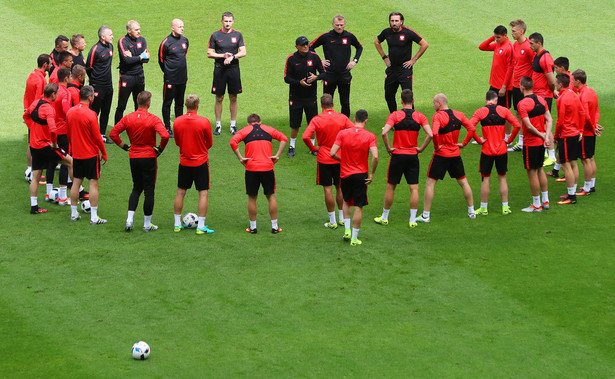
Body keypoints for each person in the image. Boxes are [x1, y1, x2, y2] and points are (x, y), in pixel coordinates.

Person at [109, 91, 169, 232]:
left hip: (134, 156)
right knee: (149, 191)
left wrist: (123, 146)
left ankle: (129, 220)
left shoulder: (128, 118)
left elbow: (113, 134)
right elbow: (165, 135)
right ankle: (147, 224)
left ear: (137, 102)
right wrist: (159, 149)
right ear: (148, 103)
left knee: (136, 188)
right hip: (148, 157)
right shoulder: (153, 119)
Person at [374, 89, 432, 228]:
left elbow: (384, 133)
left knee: (391, 187)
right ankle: (412, 220)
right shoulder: (420, 116)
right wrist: (421, 148)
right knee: (414, 188)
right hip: (412, 155)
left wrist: (389, 148)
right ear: (413, 101)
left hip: (398, 156)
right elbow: (430, 134)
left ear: (401, 101)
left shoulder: (395, 115)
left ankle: (385, 217)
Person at [417, 94, 478, 223]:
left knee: (430, 183)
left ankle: (426, 215)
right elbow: (472, 128)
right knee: (463, 182)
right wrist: (464, 143)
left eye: (434, 103)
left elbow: (434, 133)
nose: (433, 105)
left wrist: (437, 146)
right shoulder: (459, 114)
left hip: (441, 155)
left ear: (439, 103)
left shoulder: (438, 116)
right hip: (455, 154)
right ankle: (472, 211)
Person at [302, 94, 354, 229]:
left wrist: (314, 148)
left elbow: (305, 136)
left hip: (324, 158)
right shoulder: (342, 118)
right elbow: (353, 131)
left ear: (321, 106)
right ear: (333, 104)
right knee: (340, 187)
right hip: (340, 158)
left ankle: (333, 221)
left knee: (327, 189)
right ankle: (342, 218)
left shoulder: (317, 119)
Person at [230, 113, 288, 234]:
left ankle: (253, 227)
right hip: (267, 167)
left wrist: (241, 158)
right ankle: (275, 227)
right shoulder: (268, 129)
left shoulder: (245, 130)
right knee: (271, 196)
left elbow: (233, 142)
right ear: (260, 122)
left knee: (252, 197)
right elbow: (284, 138)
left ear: (248, 123)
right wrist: (277, 155)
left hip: (251, 168)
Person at [330, 109, 378, 246]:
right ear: (366, 121)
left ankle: (346, 231)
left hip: (345, 174)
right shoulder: (370, 136)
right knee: (358, 206)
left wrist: (342, 160)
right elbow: (375, 156)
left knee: (345, 201)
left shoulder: (343, 133)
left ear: (354, 119)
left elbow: (332, 152)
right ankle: (354, 238)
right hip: (361, 175)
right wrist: (372, 173)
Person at [469, 90, 522, 216]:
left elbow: (470, 127)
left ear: (486, 100)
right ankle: (505, 207)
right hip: (502, 150)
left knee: (485, 179)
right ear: (496, 99)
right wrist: (509, 140)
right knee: (502, 178)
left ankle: (483, 208)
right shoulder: (504, 111)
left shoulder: (480, 111)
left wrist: (479, 140)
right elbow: (517, 125)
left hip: (487, 150)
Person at [23, 83, 73, 214]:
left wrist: (32, 129)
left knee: (36, 176)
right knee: (71, 162)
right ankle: (75, 194)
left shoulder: (35, 103)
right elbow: (53, 129)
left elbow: (25, 116)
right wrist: (55, 144)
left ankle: (34, 207)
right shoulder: (49, 109)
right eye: (56, 93)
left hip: (34, 145)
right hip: (45, 145)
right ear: (53, 95)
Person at [172, 94, 214, 234]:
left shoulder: (177, 121)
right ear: (197, 106)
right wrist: (200, 149)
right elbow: (210, 143)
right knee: (203, 193)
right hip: (201, 162)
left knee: (180, 192)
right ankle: (201, 226)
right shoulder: (204, 122)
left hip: (184, 162)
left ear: (185, 105)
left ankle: (177, 224)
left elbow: (177, 142)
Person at [66, 85, 108, 224]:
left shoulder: (70, 112)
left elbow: (68, 133)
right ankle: (94, 217)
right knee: (93, 184)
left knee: (76, 183)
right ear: (90, 97)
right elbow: (97, 137)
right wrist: (104, 152)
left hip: (77, 154)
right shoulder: (91, 114)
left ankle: (73, 214)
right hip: (90, 154)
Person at [309, 14, 363, 117]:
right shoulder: (326, 36)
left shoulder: (349, 36)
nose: (339, 27)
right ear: (333, 24)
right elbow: (310, 47)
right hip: (329, 75)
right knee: (327, 102)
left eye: (341, 25)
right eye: (337, 25)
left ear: (345, 24)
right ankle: (327, 123)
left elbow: (359, 47)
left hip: (344, 75)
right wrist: (320, 61)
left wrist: (354, 61)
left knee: (345, 102)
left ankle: (346, 125)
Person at [374, 12, 429, 114]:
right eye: (392, 21)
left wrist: (414, 59)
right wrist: (384, 57)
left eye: (396, 21)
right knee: (389, 95)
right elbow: (377, 42)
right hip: (391, 69)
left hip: (405, 70)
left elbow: (424, 44)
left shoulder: (408, 33)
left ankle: (411, 119)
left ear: (401, 21)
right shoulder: (386, 32)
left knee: (408, 97)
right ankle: (394, 117)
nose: (394, 23)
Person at [284, 36, 325, 157]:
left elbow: (324, 73)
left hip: (311, 96)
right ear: (297, 47)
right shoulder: (291, 59)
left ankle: (312, 147)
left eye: (306, 44)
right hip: (295, 97)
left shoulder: (314, 57)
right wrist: (299, 82)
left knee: (312, 122)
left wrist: (316, 77)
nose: (306, 46)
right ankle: (292, 146)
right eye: (303, 45)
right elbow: (286, 78)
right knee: (295, 123)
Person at [517, 76, 552, 212]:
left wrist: (542, 135)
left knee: (532, 172)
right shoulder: (541, 100)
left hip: (531, 142)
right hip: (541, 142)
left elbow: (529, 126)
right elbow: (549, 118)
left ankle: (536, 204)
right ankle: (546, 200)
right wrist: (546, 136)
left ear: (522, 87)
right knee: (540, 169)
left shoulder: (522, 104)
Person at [207, 11, 246, 135]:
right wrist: (223, 56)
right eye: (226, 21)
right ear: (222, 21)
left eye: (230, 21)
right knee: (219, 98)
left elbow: (243, 52)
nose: (228, 23)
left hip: (233, 70)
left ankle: (233, 125)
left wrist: (232, 57)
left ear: (233, 21)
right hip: (219, 70)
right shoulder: (215, 35)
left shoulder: (238, 35)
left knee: (233, 98)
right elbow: (209, 53)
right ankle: (218, 125)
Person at [553, 73, 585, 205]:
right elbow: (582, 112)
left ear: (560, 85)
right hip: (575, 134)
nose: (554, 83)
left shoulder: (562, 98)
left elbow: (560, 121)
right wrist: (581, 130)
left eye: (556, 82)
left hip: (566, 135)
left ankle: (572, 196)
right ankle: (572, 191)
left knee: (566, 166)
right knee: (573, 163)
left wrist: (555, 136)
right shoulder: (573, 94)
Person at [506, 19, 535, 153]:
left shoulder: (529, 47)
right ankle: (522, 142)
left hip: (524, 87)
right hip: (516, 85)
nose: (511, 33)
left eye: (514, 31)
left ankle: (523, 143)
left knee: (524, 114)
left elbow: (535, 66)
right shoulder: (515, 45)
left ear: (521, 31)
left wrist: (531, 84)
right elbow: (513, 64)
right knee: (518, 113)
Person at [528, 32, 556, 166]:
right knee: (540, 123)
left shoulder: (546, 59)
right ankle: (545, 150)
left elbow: (551, 81)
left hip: (544, 96)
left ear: (539, 43)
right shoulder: (537, 55)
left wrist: (553, 92)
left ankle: (552, 155)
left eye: (532, 43)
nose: (530, 46)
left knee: (546, 124)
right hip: (538, 95)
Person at [46, 67, 73, 205]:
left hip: (51, 130)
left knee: (51, 160)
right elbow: (66, 110)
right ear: (66, 78)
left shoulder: (53, 90)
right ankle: (62, 197)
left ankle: (48, 192)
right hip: (62, 131)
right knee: (65, 161)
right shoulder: (65, 92)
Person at [115, 20, 150, 125]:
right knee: (122, 105)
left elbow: (147, 59)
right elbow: (126, 60)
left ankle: (137, 126)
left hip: (139, 77)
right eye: (136, 30)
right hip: (127, 77)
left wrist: (134, 57)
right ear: (129, 30)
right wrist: (140, 56)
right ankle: (117, 128)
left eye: (139, 29)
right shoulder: (123, 41)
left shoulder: (142, 40)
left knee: (139, 104)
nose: (139, 32)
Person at [158, 18, 189, 138]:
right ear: (172, 28)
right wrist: (168, 72)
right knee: (167, 103)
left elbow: (183, 55)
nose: (182, 28)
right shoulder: (166, 42)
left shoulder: (185, 41)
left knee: (180, 103)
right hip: (170, 79)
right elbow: (161, 60)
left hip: (182, 78)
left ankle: (178, 127)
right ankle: (167, 127)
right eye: (179, 26)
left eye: (183, 26)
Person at [24, 54, 52, 183]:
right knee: (35, 144)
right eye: (50, 64)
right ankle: (33, 173)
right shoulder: (41, 81)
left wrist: (26, 110)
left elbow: (26, 95)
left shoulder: (31, 75)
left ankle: (30, 170)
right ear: (45, 65)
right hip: (36, 117)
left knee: (31, 142)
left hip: (29, 114)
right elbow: (38, 101)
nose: (51, 66)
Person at [86, 25, 115, 144]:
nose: (113, 36)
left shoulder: (111, 47)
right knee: (94, 112)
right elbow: (88, 67)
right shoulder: (95, 50)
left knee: (106, 110)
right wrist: (94, 80)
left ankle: (102, 134)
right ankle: (91, 134)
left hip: (108, 85)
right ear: (103, 37)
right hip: (97, 86)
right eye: (110, 35)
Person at [573, 69, 600, 195]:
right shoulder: (591, 91)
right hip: (591, 130)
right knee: (591, 158)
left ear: (578, 81)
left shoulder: (583, 95)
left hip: (585, 131)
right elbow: (596, 110)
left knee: (585, 160)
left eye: (573, 79)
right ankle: (592, 185)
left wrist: (592, 127)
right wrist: (595, 124)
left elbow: (586, 115)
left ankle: (587, 187)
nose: (571, 81)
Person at [478, 25, 513, 108]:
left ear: (505, 35)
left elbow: (510, 69)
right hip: (494, 85)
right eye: (495, 37)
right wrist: (492, 38)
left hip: (503, 87)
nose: (496, 39)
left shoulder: (509, 47)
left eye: (498, 37)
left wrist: (504, 87)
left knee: (504, 112)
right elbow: (482, 47)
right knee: (491, 109)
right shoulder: (498, 44)